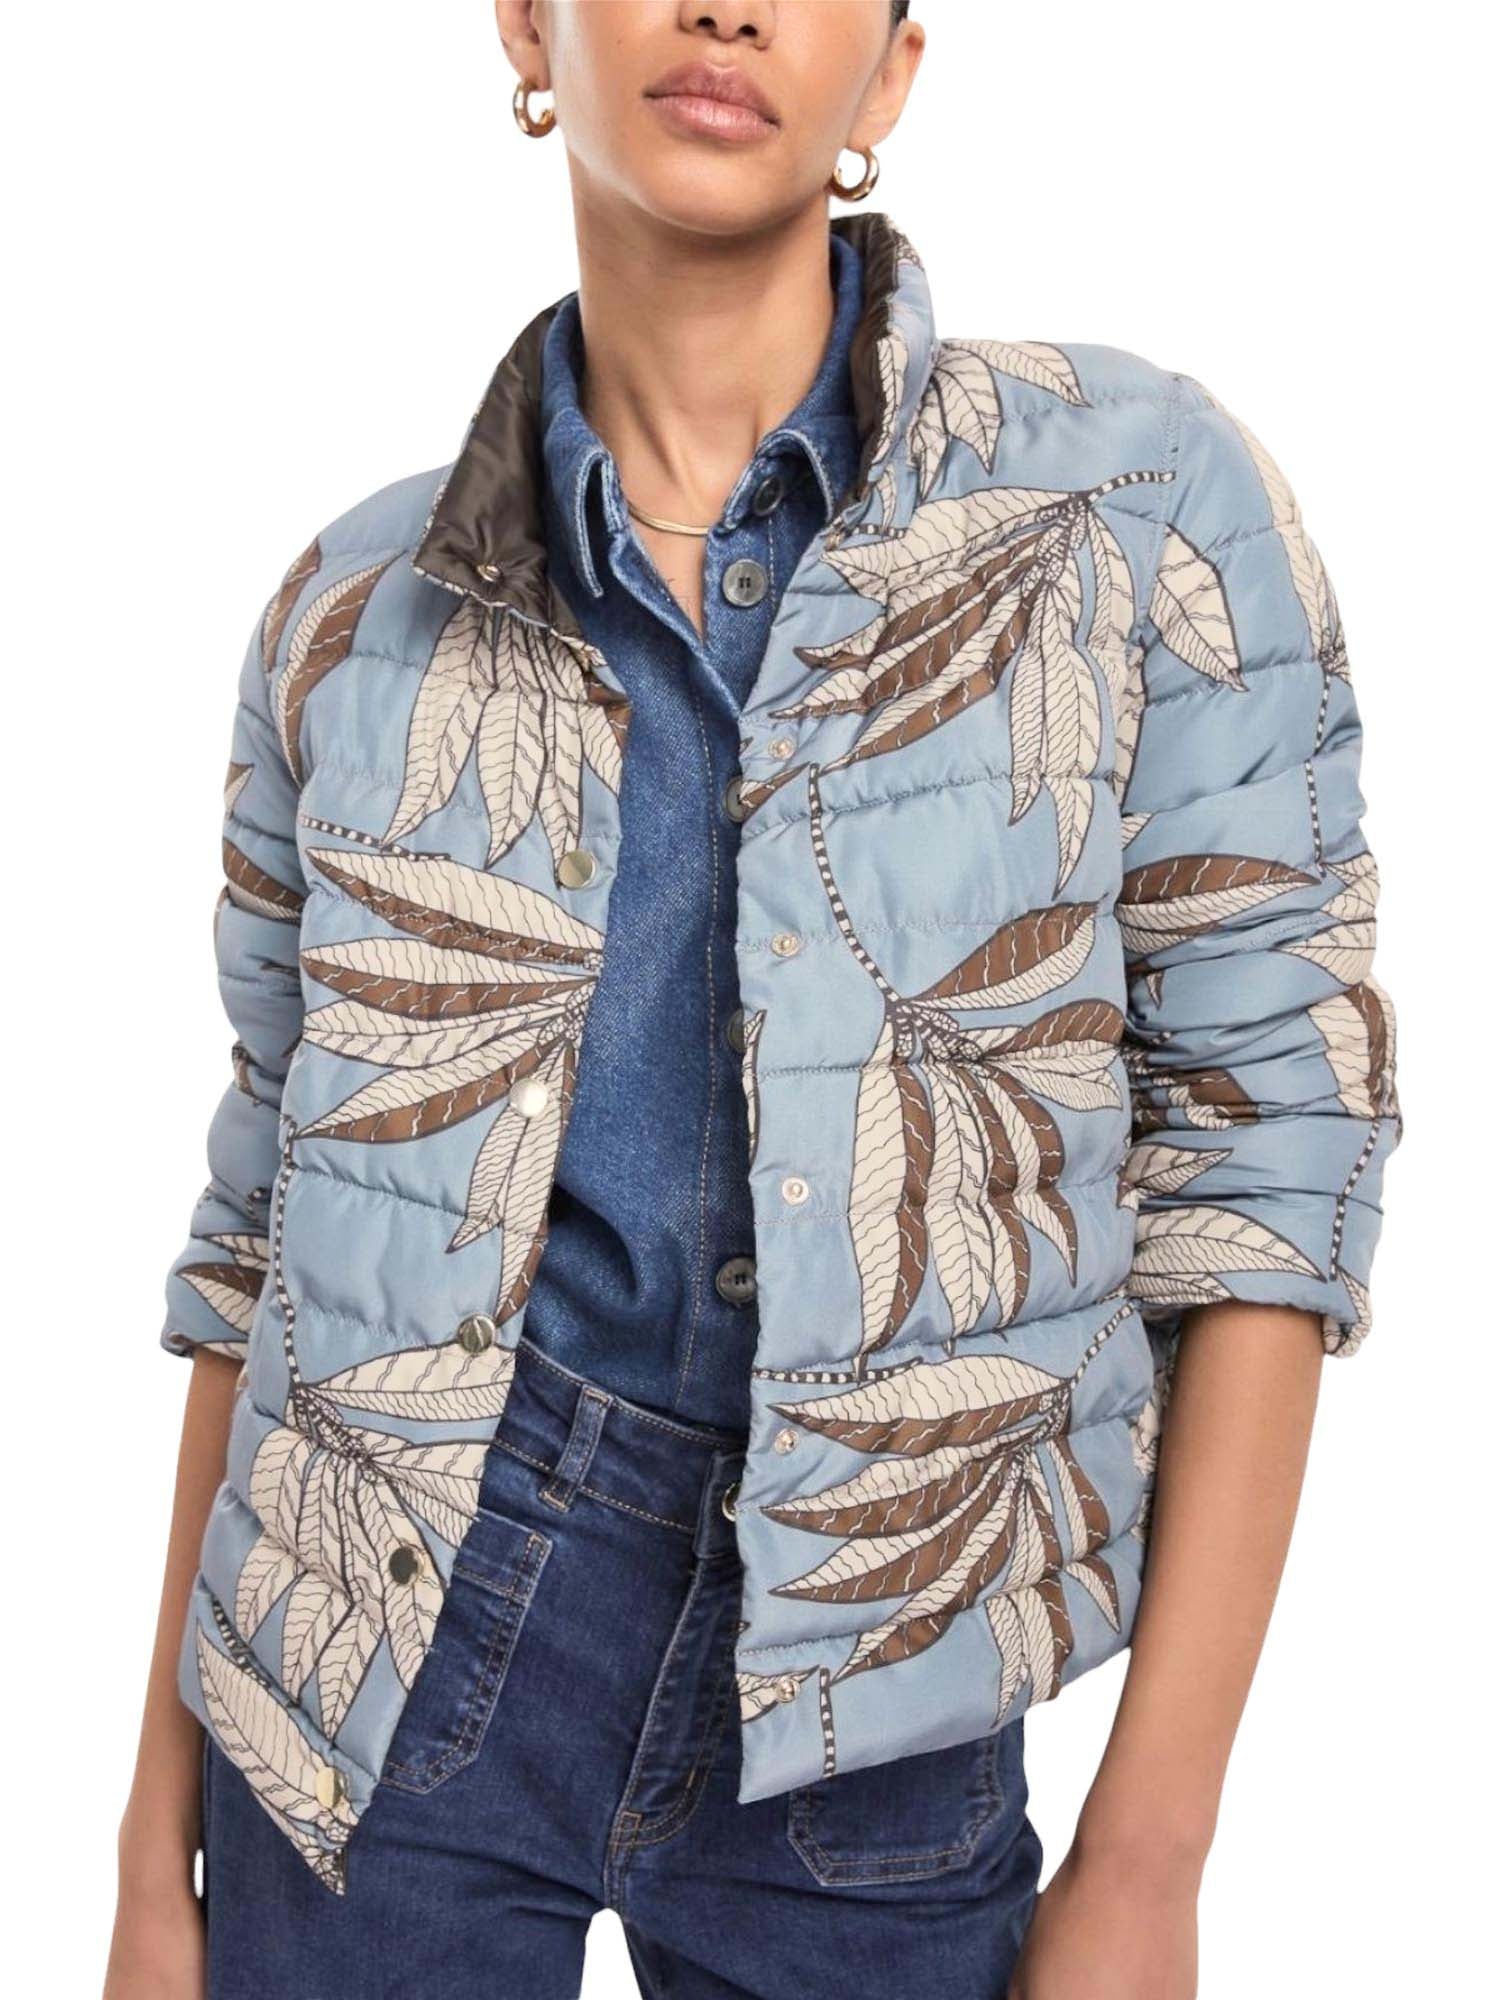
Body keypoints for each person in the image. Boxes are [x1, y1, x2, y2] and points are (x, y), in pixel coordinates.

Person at [105, 4, 1401, 1996]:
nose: (725, 7)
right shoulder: (356, 619)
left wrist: (1150, 1855)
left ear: (888, 75)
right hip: (384, 1657)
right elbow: (266, 1239)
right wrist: (147, 1854)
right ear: (528, 26)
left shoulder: (1131, 515)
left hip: (886, 1698)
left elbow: (1270, 1162)